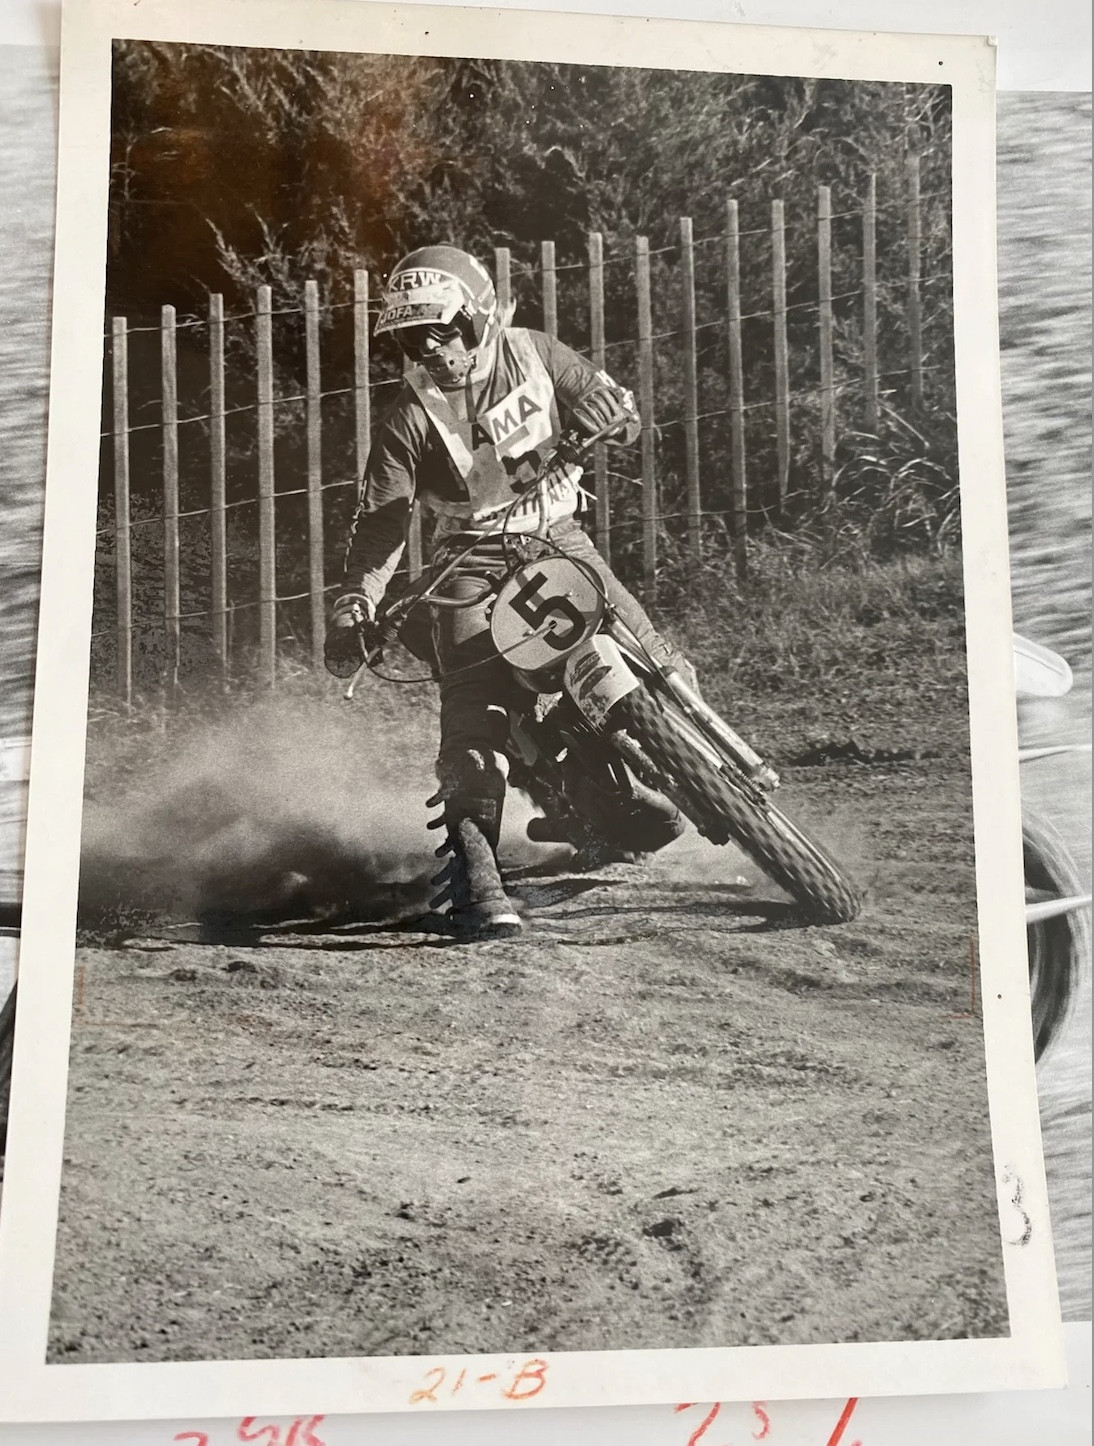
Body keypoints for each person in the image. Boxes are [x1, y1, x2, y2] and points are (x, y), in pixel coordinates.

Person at [325, 245, 690, 939]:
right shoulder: (409, 417)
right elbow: (381, 524)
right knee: (473, 716)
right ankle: (475, 876)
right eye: (412, 337)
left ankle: (704, 759)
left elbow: (621, 413)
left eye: (443, 329)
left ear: (481, 316)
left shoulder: (536, 354)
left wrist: (616, 416)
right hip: (463, 565)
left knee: (650, 647)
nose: (432, 350)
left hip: (555, 534)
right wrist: (357, 600)